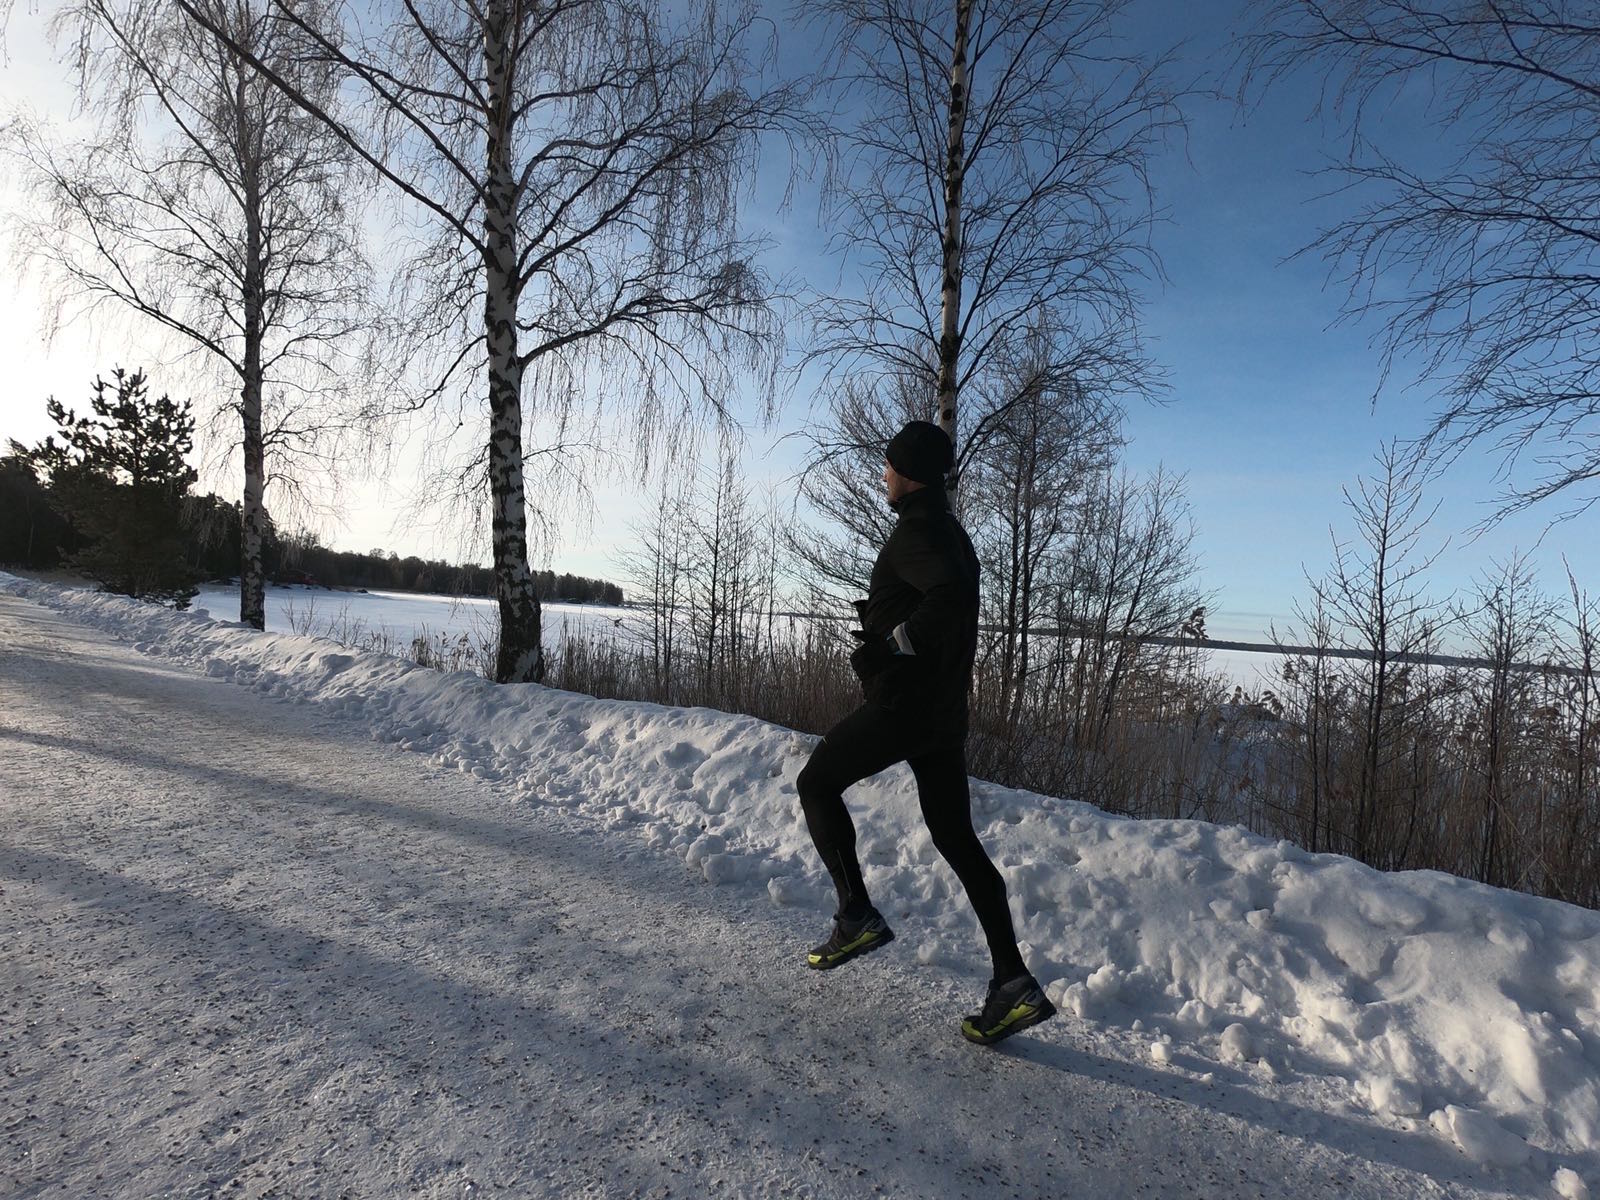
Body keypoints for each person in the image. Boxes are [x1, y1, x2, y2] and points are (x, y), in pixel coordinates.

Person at [796, 419, 1056, 1046]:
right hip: (940, 714)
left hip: (904, 708)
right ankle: (1013, 982)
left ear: (908, 472)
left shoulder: (920, 531)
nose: (883, 474)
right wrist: (892, 629)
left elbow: (951, 597)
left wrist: (890, 645)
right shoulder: (946, 528)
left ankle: (855, 914)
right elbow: (942, 602)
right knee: (956, 839)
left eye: (889, 465)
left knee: (816, 783)